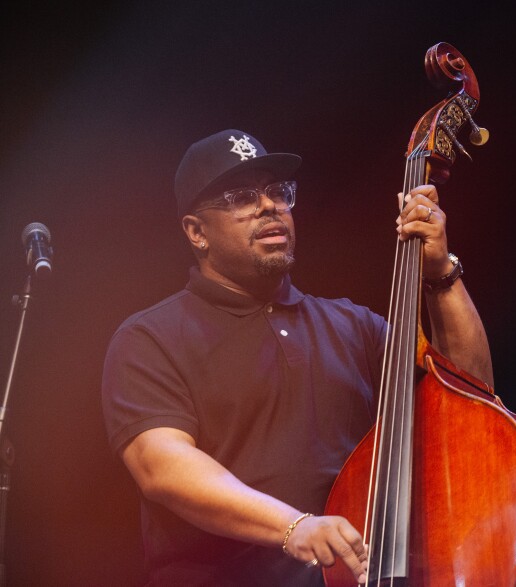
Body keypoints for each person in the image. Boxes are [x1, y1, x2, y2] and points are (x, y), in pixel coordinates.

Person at [101, 129, 493, 586]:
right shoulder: (150, 337)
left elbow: (471, 399)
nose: (269, 206)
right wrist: (293, 526)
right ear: (196, 232)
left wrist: (441, 273)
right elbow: (162, 466)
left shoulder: (355, 326)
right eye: (241, 196)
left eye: (278, 192)